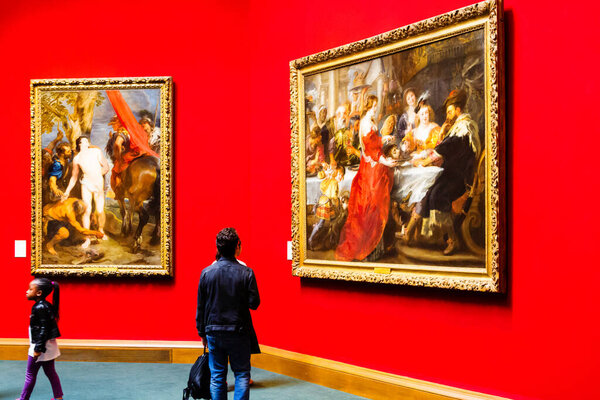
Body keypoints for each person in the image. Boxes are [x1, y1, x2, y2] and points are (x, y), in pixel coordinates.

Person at [407, 89, 481, 255]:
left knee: (437, 195)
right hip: (451, 174)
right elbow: (444, 147)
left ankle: (451, 240)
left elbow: (444, 148)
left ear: (458, 110)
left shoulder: (465, 127)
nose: (448, 115)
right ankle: (411, 231)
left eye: (450, 111)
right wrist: (442, 133)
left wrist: (424, 162)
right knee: (428, 190)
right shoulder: (457, 127)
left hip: (461, 178)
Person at [196, 228, 260, 400]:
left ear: (218, 247)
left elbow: (201, 307)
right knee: (242, 374)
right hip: (239, 330)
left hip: (214, 331)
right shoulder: (247, 272)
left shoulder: (206, 273)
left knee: (217, 376)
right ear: (237, 247)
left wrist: (201, 332)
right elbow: (254, 304)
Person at [335, 95, 399, 261]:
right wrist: (387, 162)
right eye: (373, 106)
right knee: (373, 208)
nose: (375, 108)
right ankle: (370, 250)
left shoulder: (368, 122)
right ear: (368, 106)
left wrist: (384, 138)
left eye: (376, 105)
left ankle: (378, 248)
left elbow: (373, 143)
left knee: (373, 208)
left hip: (370, 167)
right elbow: (371, 151)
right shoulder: (366, 123)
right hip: (372, 170)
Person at [17, 278, 63, 400]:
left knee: (30, 374)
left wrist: (38, 349)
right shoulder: (45, 305)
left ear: (39, 293)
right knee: (51, 372)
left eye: (30, 289)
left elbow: (43, 330)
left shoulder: (39, 307)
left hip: (41, 346)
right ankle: (58, 397)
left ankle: (23, 398)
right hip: (48, 346)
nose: (27, 291)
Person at [63, 136, 109, 248]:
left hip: (98, 183)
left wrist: (98, 176)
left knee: (99, 209)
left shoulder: (96, 151)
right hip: (86, 184)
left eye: (86, 141)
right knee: (86, 211)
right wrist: (67, 191)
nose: (85, 143)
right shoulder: (77, 158)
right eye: (82, 142)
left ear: (88, 143)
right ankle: (87, 238)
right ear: (79, 144)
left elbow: (106, 167)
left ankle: (101, 231)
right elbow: (74, 177)